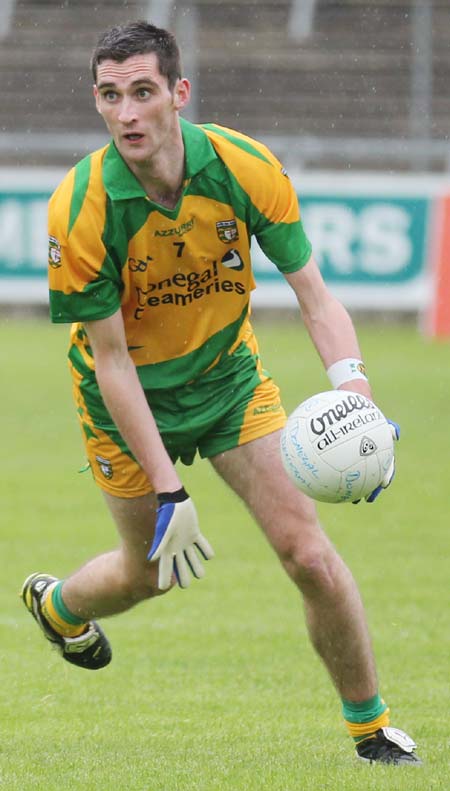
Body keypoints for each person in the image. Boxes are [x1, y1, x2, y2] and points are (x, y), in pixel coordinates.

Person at [22, 20, 420, 765]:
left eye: (143, 92)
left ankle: (371, 730)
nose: (127, 113)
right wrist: (170, 489)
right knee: (147, 575)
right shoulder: (80, 208)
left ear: (179, 93)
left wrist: (355, 391)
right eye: (111, 96)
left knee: (307, 552)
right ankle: (59, 606)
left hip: (229, 380)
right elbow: (110, 362)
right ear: (98, 102)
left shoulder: (242, 166)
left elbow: (315, 296)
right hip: (127, 398)